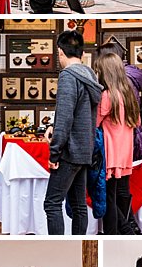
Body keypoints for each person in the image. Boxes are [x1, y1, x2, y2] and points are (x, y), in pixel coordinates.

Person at [42, 30, 102, 235]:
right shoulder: (90, 75)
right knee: (78, 206)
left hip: (70, 151)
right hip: (85, 149)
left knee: (52, 203)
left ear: (59, 51)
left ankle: (57, 246)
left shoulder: (68, 76)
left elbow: (66, 117)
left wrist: (55, 152)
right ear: (82, 53)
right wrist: (54, 125)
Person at [95, 52, 140, 235]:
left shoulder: (107, 95)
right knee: (117, 193)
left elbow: (95, 122)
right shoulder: (128, 94)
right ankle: (124, 229)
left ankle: (117, 231)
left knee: (108, 197)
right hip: (125, 152)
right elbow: (136, 122)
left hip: (110, 151)